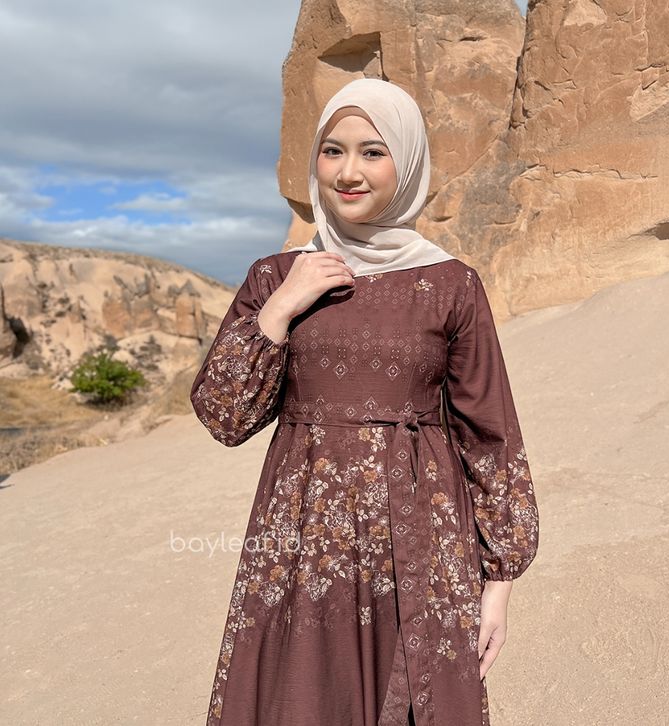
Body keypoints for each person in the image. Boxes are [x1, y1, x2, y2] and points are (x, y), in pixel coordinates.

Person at [190, 77, 539, 726]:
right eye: (333, 151)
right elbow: (224, 415)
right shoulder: (274, 277)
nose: (348, 172)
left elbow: (490, 436)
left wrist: (499, 583)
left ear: (406, 163)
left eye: (373, 152)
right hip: (302, 553)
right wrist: (280, 309)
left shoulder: (452, 285)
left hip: (423, 542)